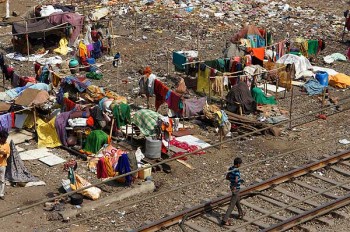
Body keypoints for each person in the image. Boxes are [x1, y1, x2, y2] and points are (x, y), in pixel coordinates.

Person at [221, 157, 244, 226]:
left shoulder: (230, 168)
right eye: (240, 164)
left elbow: (227, 177)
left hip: (232, 187)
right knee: (232, 205)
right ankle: (225, 220)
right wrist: (240, 180)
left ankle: (241, 213)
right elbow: (237, 180)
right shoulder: (237, 171)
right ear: (238, 164)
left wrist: (232, 180)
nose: (240, 165)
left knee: (236, 200)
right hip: (236, 189)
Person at [0, 130, 10, 200]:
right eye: (4, 138)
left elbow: (8, 154)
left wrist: (5, 155)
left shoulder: (7, 145)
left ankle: (1, 193)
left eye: (6, 138)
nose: (5, 139)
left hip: (3, 165)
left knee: (2, 180)